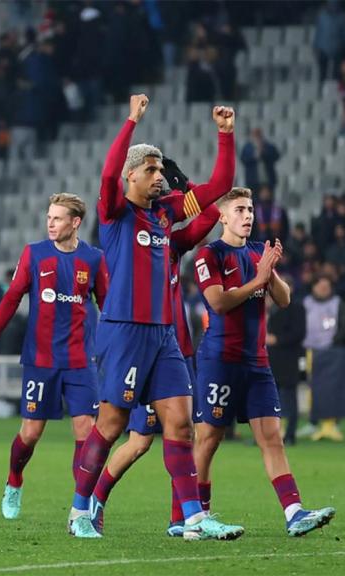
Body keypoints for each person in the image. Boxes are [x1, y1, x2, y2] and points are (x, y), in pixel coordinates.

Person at [69, 94, 242, 540]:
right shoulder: (115, 212)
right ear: (132, 177)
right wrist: (130, 121)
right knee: (110, 427)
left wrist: (225, 134)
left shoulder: (165, 215)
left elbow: (220, 184)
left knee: (181, 425)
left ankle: (194, 518)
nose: (160, 176)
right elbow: (107, 173)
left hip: (164, 335)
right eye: (152, 170)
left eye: (161, 170)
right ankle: (79, 511)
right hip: (124, 331)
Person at [193, 187, 336, 536]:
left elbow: (284, 299)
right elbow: (219, 303)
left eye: (251, 210)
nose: (248, 216)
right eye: (240, 209)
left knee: (272, 437)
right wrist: (257, 278)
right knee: (209, 439)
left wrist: (269, 273)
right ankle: (196, 515)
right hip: (220, 361)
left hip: (257, 362)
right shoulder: (208, 255)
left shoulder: (259, 252)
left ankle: (294, 512)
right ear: (222, 216)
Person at [91, 184, 221, 537]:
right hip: (142, 350)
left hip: (177, 350)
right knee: (139, 442)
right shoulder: (134, 247)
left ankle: (183, 520)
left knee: (182, 432)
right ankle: (95, 499)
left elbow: (210, 213)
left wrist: (185, 188)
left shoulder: (174, 247)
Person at [0, 192, 108, 522]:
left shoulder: (93, 259)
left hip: (80, 360)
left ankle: (83, 507)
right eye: (48, 217)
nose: (50, 223)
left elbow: (107, 307)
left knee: (86, 431)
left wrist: (115, 347)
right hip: (41, 360)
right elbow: (12, 298)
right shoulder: (34, 254)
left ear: (75, 223)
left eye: (57, 218)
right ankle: (14, 481)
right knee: (31, 433)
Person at [303, 276, 345, 441]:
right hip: (310, 351)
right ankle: (313, 421)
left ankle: (334, 422)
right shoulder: (306, 303)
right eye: (320, 286)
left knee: (333, 387)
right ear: (313, 287)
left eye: (327, 286)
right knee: (312, 387)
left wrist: (334, 341)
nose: (324, 289)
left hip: (332, 351)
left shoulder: (338, 302)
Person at [267, 276, 307, 446]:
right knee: (268, 399)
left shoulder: (296, 307)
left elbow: (299, 333)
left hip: (289, 358)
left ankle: (290, 435)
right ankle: (268, 435)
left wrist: (277, 339)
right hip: (270, 358)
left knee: (289, 398)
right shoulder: (269, 306)